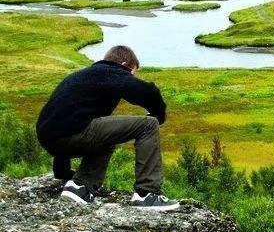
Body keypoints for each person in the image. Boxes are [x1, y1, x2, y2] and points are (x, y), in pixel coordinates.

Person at [35, 45, 180, 212]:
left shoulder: (81, 76)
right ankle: (147, 194)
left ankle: (80, 186)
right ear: (125, 64)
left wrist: (62, 171)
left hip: (49, 139)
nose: (131, 77)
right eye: (132, 72)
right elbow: (149, 92)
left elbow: (62, 121)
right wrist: (158, 115)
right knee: (149, 125)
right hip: (73, 133)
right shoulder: (112, 71)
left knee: (107, 136)